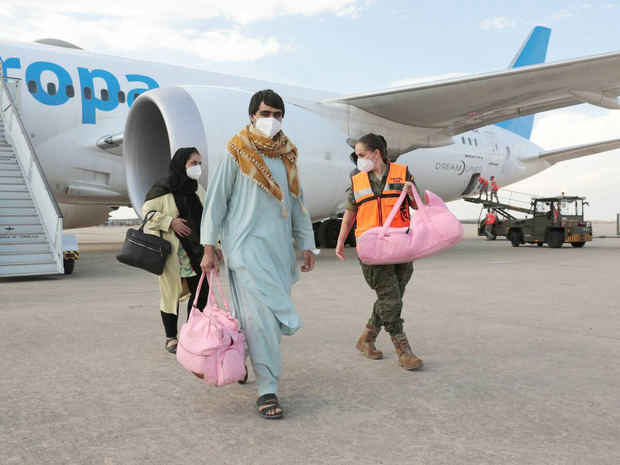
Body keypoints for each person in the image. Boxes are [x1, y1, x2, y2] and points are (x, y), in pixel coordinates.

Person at [200, 89, 316, 419]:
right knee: (262, 320)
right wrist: (209, 247)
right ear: (252, 115)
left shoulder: (287, 155)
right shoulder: (236, 151)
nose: (272, 120)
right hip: (245, 251)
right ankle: (267, 389)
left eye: (277, 114)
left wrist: (306, 242)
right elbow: (216, 203)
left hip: (278, 253)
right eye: (265, 113)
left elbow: (297, 203)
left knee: (254, 320)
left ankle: (241, 357)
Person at [335, 133, 423, 371]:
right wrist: (341, 241)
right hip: (373, 249)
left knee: (391, 298)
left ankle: (366, 339)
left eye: (361, 154)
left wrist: (412, 190)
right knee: (390, 298)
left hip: (401, 247)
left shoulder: (403, 172)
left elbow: (417, 204)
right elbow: (350, 213)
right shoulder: (357, 179)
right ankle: (403, 350)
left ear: (376, 154)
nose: (358, 159)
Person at [142, 147, 210, 354]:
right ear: (182, 164)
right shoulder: (163, 188)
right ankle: (171, 337)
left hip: (196, 253)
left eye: (199, 163)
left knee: (202, 293)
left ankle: (192, 333)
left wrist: (214, 245)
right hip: (172, 254)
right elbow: (147, 214)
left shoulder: (197, 189)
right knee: (170, 295)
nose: (197, 168)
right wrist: (169, 222)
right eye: (193, 163)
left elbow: (209, 218)